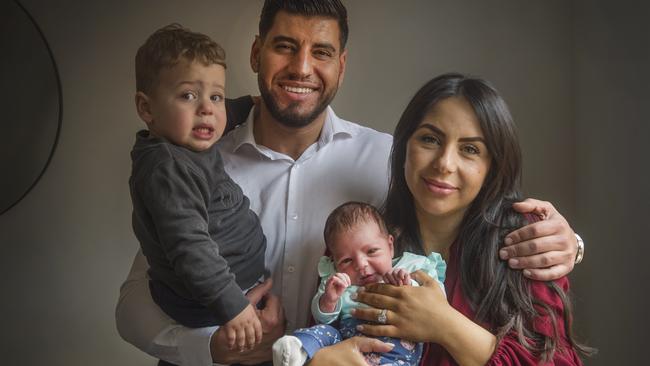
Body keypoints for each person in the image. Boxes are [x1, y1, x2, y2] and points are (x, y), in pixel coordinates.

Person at [116, 2, 583, 365]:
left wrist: (572, 243)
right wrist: (213, 349)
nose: (302, 68)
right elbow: (137, 301)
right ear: (257, 52)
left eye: (320, 52)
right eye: (284, 46)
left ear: (341, 65)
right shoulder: (198, 160)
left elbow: (466, 215)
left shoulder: (387, 163)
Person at [309, 73, 594, 365]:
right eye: (430, 139)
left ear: (492, 166)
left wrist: (444, 325)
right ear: (404, 144)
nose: (445, 163)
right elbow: (319, 333)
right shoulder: (359, 242)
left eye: (470, 149)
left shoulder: (526, 241)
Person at [130, 24, 267, 352]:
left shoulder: (186, 136)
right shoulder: (168, 166)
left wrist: (249, 102)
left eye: (215, 96)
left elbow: (219, 113)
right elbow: (190, 248)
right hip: (211, 305)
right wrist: (232, 305)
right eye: (188, 95)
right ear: (147, 108)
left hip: (232, 292)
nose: (207, 108)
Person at [272, 202, 446, 366]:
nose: (361, 265)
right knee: (323, 332)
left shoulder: (412, 266)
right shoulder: (339, 281)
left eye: (371, 251)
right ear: (335, 263)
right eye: (347, 260)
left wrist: (409, 287)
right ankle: (295, 350)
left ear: (390, 245)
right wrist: (329, 300)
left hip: (397, 342)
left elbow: (439, 302)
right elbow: (324, 318)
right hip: (346, 340)